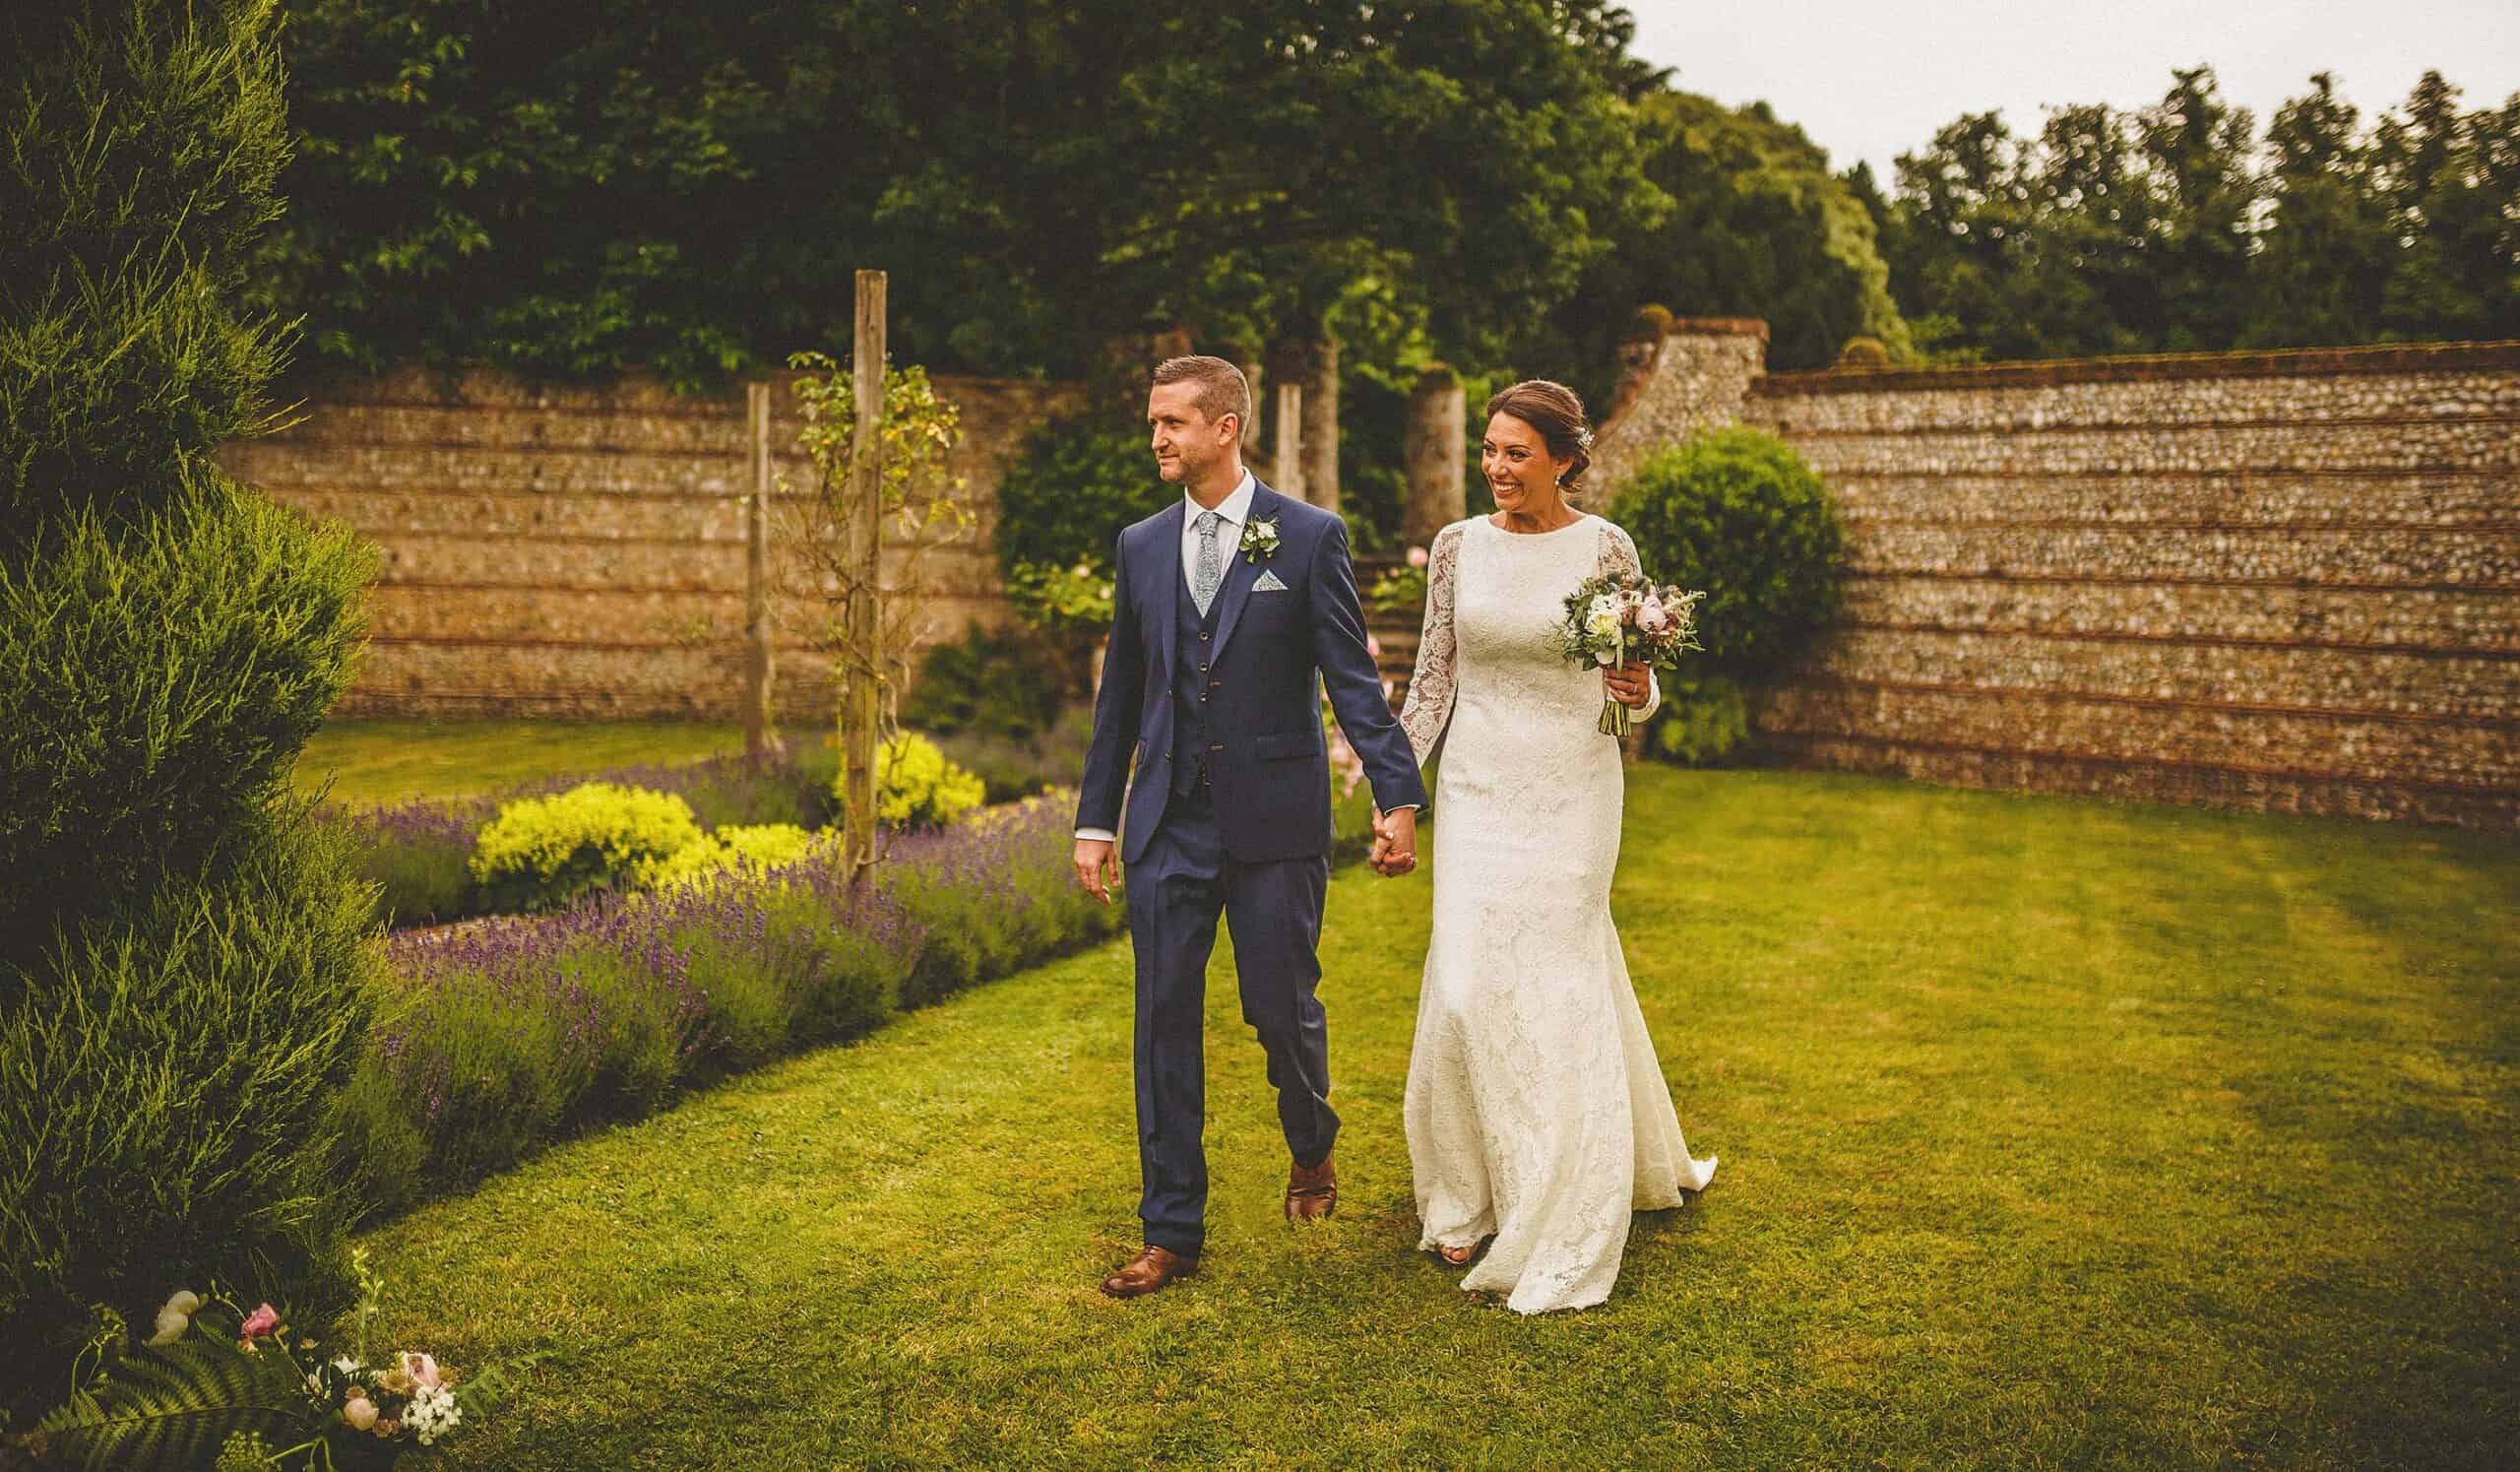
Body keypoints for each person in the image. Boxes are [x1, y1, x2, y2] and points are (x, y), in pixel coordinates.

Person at [1073, 355, 1427, 1299]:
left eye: (1173, 422)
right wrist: (1096, 818)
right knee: (1162, 1023)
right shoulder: (1141, 545)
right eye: (1154, 421)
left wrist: (1396, 795)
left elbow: (1352, 679)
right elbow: (1121, 696)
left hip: (1274, 824)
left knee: (1281, 1010)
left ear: (1225, 427)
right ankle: (1171, 1230)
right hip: (1167, 825)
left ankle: (1311, 1139)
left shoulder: (1307, 538)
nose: (1156, 437)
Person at [1390, 379, 1718, 1314]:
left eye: (1516, 453)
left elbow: (1635, 683)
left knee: (1557, 981)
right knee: (1464, 984)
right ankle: (1463, 1195)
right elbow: (1433, 676)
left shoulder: (1607, 546)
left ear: (1565, 460)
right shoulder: (1457, 547)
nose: (1496, 467)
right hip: (1478, 788)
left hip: (1574, 789)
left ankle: (1560, 1192)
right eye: (1489, 450)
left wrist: (1642, 690)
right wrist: (1397, 792)